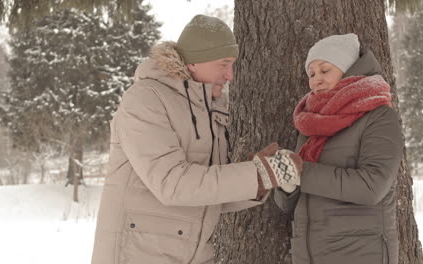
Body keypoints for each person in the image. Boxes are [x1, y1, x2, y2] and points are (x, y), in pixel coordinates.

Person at [91, 15, 302, 264]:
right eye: (223, 64)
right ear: (195, 62)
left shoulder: (213, 110)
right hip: (138, 254)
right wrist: (255, 174)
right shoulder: (145, 99)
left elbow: (208, 192)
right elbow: (172, 184)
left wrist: (260, 181)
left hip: (194, 255)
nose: (230, 76)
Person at [274, 33, 403, 264]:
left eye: (325, 70)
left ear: (349, 69)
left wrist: (300, 172)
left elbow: (372, 186)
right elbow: (292, 203)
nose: (316, 80)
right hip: (309, 254)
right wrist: (286, 186)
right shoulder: (310, 122)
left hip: (360, 253)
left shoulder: (379, 116)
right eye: (311, 74)